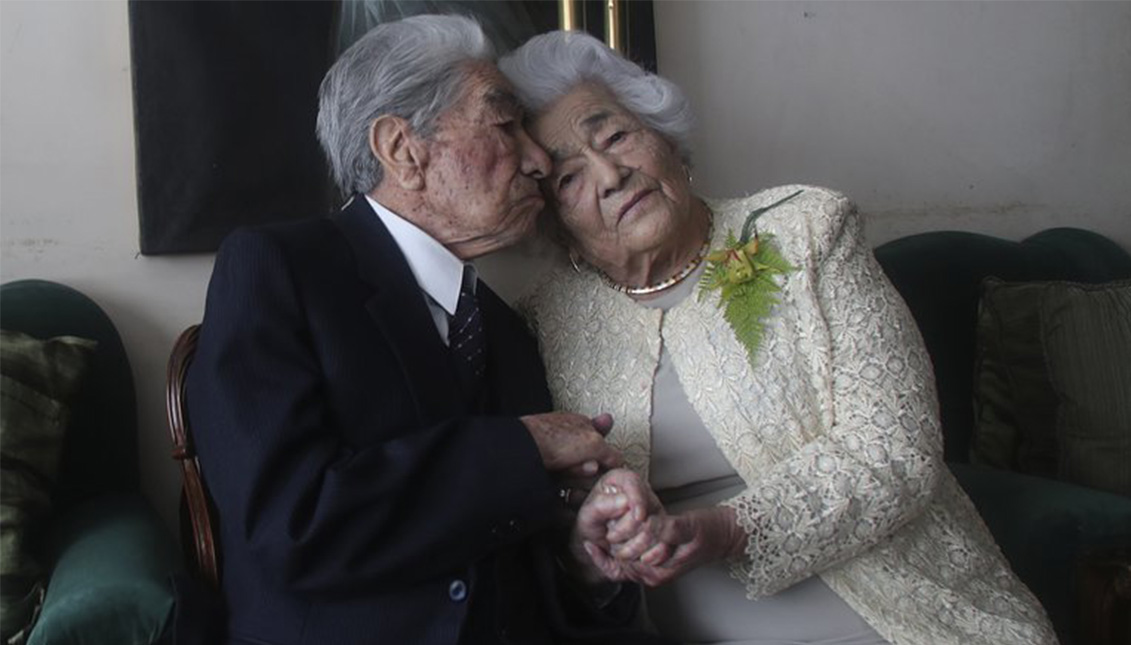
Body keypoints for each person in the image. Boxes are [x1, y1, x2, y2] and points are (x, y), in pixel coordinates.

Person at [500, 31, 1059, 645]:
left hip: (895, 606)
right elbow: (554, 517)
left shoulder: (805, 231)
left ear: (665, 138)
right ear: (555, 224)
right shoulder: (542, 322)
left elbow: (896, 449)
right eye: (568, 180)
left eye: (616, 137)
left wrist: (725, 529)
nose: (610, 175)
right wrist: (593, 537)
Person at [186, 15, 670, 645]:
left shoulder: (507, 329)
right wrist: (526, 447)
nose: (537, 160)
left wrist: (585, 558)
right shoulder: (279, 272)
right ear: (402, 149)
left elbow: (521, 567)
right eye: (505, 124)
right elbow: (291, 523)